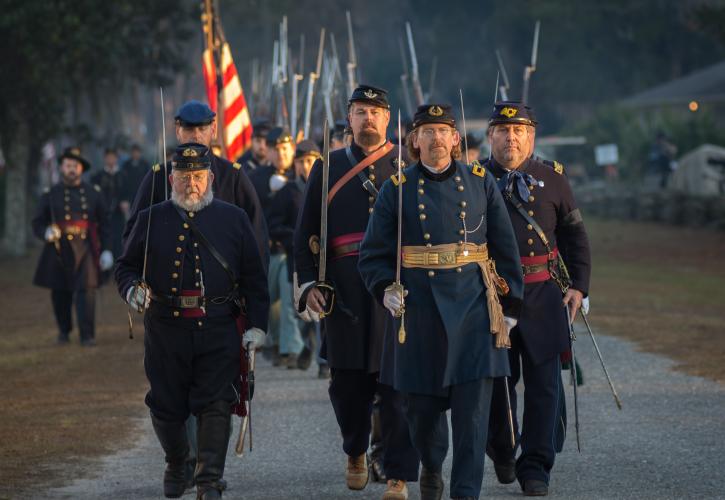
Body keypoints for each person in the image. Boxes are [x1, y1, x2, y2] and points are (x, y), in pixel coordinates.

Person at [358, 104, 524, 500]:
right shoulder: (395, 189)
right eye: (426, 131)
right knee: (423, 413)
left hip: (474, 310)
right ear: (414, 140)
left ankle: (466, 492)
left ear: (455, 138)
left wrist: (511, 306)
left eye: (443, 131)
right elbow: (372, 254)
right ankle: (431, 464)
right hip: (419, 312)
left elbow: (504, 245)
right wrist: (385, 288)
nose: (436, 139)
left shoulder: (481, 182)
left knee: (473, 417)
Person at [116, 143, 269, 499]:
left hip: (217, 324)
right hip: (165, 328)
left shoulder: (234, 218)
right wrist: (131, 288)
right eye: (184, 177)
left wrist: (257, 326)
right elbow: (125, 266)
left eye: (198, 176)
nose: (191, 184)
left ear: (210, 178)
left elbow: (254, 278)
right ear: (172, 179)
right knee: (166, 404)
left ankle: (208, 480)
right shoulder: (150, 217)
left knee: (215, 402)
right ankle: (177, 461)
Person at [295, 85, 419, 500]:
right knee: (348, 387)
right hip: (344, 293)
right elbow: (305, 233)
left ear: (388, 118)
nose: (369, 118)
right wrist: (311, 282)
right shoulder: (326, 169)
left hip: (397, 289)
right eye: (361, 111)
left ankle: (399, 473)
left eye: (376, 111)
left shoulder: (408, 165)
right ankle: (355, 449)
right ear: (349, 117)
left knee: (399, 386)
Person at [483, 101, 591, 497]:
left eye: (520, 131)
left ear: (531, 136)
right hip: (493, 299)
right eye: (503, 130)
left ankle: (536, 466)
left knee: (545, 386)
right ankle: (502, 450)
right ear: (490, 136)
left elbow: (575, 236)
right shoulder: (473, 180)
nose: (511, 137)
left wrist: (579, 286)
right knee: (497, 382)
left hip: (544, 294)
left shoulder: (554, 179)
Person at [123, 100, 268, 265]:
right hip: (167, 285)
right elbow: (134, 233)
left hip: (223, 286)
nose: (196, 135)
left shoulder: (233, 176)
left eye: (202, 129)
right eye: (189, 129)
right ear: (178, 131)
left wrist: (253, 287)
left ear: (213, 130)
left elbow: (256, 235)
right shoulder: (159, 176)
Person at [32, 147, 113, 346]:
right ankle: (64, 331)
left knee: (87, 291)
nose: (71, 169)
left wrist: (107, 250)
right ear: (61, 167)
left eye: (75, 166)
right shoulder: (50, 194)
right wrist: (45, 232)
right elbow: (37, 221)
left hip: (85, 247)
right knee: (59, 293)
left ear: (81, 169)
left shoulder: (93, 193)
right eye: (68, 165)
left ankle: (87, 335)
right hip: (58, 248)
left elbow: (105, 224)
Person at [267, 139, 321, 371]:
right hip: (297, 260)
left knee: (324, 310)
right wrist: (297, 238)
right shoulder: (288, 192)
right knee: (297, 307)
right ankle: (302, 342)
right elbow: (273, 225)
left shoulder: (328, 187)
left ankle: (323, 359)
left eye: (310, 161)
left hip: (326, 260)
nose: (306, 167)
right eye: (301, 162)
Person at [252, 127, 302, 368]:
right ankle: (274, 343)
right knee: (270, 300)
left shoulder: (299, 174)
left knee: (289, 298)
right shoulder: (257, 178)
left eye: (286, 148)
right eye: (277, 149)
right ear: (269, 152)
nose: (282, 154)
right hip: (267, 249)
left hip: (291, 249)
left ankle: (292, 349)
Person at [91, 147, 126, 263]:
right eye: (108, 157)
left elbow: (129, 191)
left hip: (118, 214)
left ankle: (117, 269)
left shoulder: (123, 175)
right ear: (105, 159)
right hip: (101, 215)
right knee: (103, 239)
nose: (111, 160)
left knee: (118, 241)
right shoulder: (98, 176)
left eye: (113, 157)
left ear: (116, 159)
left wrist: (126, 201)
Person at [120, 143, 150, 216]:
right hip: (130, 195)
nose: (135, 154)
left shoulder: (145, 164)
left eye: (137, 152)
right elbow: (123, 181)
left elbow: (149, 179)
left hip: (142, 193)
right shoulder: (126, 165)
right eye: (134, 152)